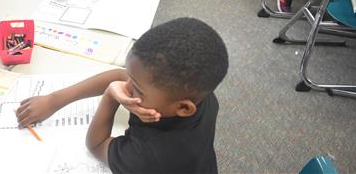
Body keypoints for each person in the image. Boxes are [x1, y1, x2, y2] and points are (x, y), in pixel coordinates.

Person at [16, 17, 229, 173]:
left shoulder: (147, 159)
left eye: (136, 87)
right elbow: (122, 75)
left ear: (183, 108)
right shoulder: (199, 94)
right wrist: (54, 100)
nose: (126, 85)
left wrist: (110, 96)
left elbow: (97, 144)